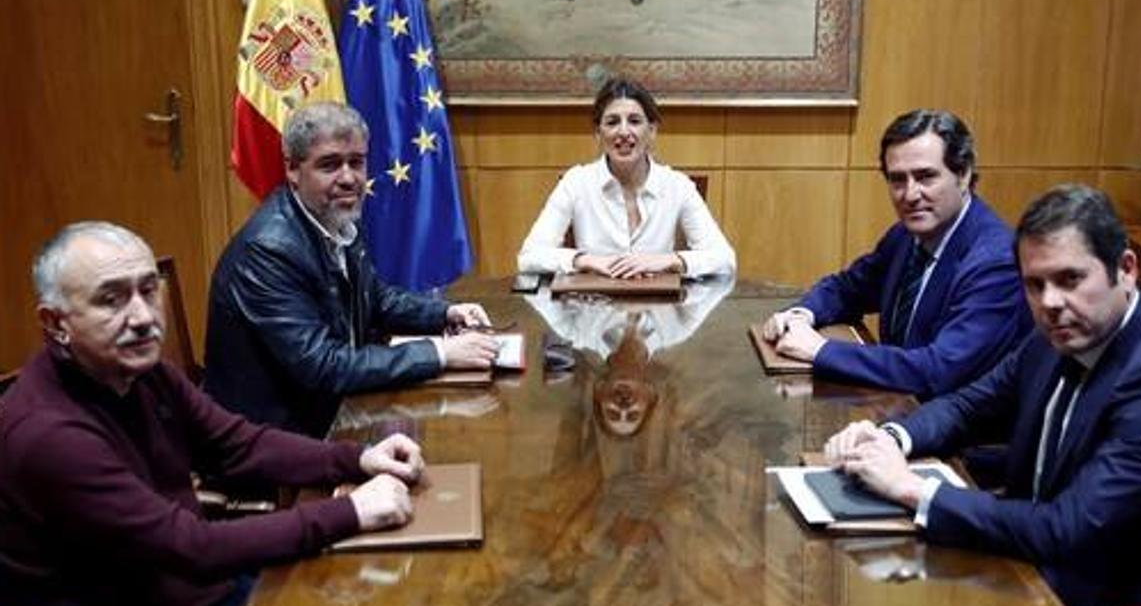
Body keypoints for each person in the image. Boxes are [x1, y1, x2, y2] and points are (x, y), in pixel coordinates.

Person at [0, 222, 426, 606]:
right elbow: (189, 547)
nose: (141, 317)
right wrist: (351, 513)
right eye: (112, 299)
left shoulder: (140, 371)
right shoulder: (47, 436)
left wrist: (356, 458)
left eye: (147, 289)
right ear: (56, 323)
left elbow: (238, 444)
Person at [823, 184, 1141, 606]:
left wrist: (913, 489)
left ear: (1125, 270)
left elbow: (1068, 530)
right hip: (1030, 591)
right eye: (1034, 284)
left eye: (1070, 279)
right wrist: (891, 436)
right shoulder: (1060, 334)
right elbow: (974, 403)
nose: (1049, 302)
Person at [205, 101, 498, 439]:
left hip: (330, 413)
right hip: (273, 440)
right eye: (330, 165)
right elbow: (324, 366)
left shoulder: (332, 219)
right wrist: (439, 353)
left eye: (356, 163)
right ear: (293, 169)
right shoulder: (269, 250)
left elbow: (374, 299)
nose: (349, 178)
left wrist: (444, 313)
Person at [762, 109, 1029, 398]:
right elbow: (847, 288)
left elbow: (938, 371)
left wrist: (821, 350)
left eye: (926, 177)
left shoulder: (996, 262)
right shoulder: (905, 236)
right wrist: (801, 315)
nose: (910, 194)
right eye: (898, 180)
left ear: (963, 175)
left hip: (961, 435)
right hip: (895, 407)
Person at [516, 76, 736, 280]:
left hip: (659, 314)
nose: (623, 132)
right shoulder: (576, 183)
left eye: (634, 121)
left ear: (651, 131)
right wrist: (584, 260)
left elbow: (724, 259)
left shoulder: (678, 186)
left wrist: (668, 260)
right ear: (598, 133)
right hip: (593, 313)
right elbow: (529, 256)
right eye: (612, 122)